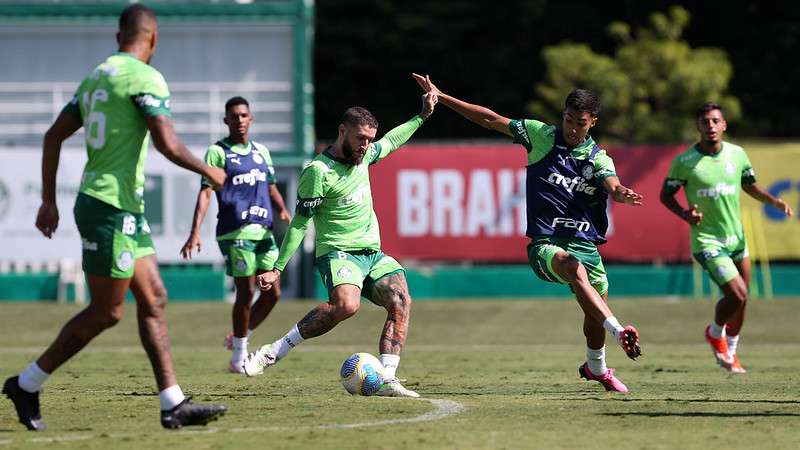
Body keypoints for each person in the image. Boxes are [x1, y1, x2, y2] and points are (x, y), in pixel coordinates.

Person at [2, 4, 227, 431]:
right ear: (153, 39)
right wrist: (209, 170)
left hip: (119, 206)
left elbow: (53, 136)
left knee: (154, 298)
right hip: (109, 206)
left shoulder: (97, 76)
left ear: (117, 36)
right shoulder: (145, 77)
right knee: (108, 311)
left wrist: (48, 200)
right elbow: (167, 142)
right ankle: (27, 383)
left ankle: (172, 403)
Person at [412, 74, 642, 393]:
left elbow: (611, 184)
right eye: (569, 120)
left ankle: (596, 367)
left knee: (594, 311)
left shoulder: (598, 157)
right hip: (545, 246)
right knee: (574, 269)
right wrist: (444, 96)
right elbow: (490, 119)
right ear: (563, 115)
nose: (573, 128)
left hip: (586, 246)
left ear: (593, 123)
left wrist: (619, 193)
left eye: (581, 123)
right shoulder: (541, 135)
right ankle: (619, 332)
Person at [241, 92, 439, 398]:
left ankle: (387, 378)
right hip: (337, 252)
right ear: (342, 131)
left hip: (372, 253)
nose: (366, 146)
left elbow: (393, 140)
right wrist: (278, 268)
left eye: (370, 139)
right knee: (347, 305)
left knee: (401, 300)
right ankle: (274, 350)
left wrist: (422, 115)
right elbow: (299, 223)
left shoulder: (367, 155)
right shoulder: (317, 172)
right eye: (360, 138)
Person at [660, 103, 793, 373]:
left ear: (724, 125)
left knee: (742, 300)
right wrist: (686, 215)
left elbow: (750, 185)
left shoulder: (737, 154)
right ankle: (714, 331)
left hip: (737, 240)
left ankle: (731, 352)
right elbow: (665, 195)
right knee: (737, 293)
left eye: (715, 120)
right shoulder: (685, 162)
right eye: (705, 121)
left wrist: (774, 201)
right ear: (698, 126)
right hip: (707, 241)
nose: (710, 125)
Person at [180, 96, 291, 373]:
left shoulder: (261, 152)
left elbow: (271, 186)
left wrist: (282, 210)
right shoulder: (218, 153)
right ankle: (238, 357)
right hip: (235, 232)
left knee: (273, 292)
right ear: (226, 121)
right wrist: (195, 231)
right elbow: (206, 192)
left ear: (250, 119)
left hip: (263, 230)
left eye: (244, 115)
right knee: (246, 291)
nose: (239, 120)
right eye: (234, 116)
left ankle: (240, 337)